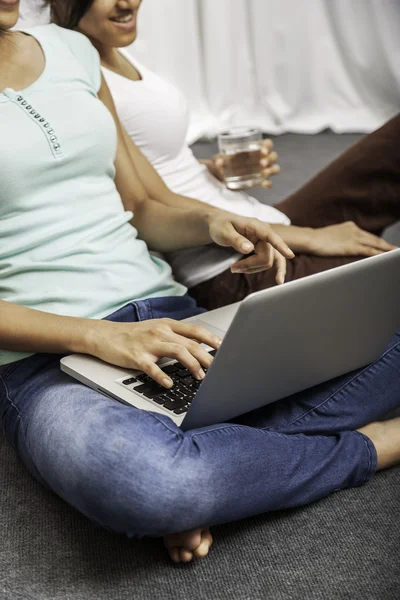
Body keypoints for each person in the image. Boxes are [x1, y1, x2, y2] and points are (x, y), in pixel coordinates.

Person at [1, 0, 400, 567]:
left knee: (383, 320)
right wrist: (96, 336)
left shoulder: (71, 52)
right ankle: (367, 446)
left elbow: (142, 204)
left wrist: (212, 221)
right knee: (145, 482)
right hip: (46, 364)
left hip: (176, 318)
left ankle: (220, 467)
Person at [46, 0, 400, 309]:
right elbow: (140, 202)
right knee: (387, 280)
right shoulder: (78, 70)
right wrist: (311, 237)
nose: (128, 3)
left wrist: (210, 170)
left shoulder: (111, 49)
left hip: (257, 219)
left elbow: (151, 166)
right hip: (232, 265)